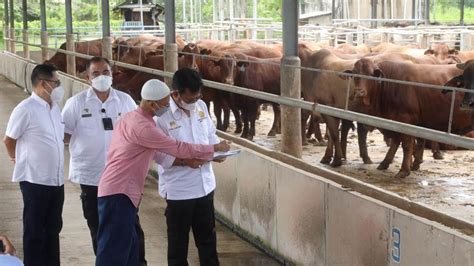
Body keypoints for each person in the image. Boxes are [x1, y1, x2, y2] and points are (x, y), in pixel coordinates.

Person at [95, 79, 230, 266]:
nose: (168, 107)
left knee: (132, 246)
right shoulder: (144, 127)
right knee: (114, 251)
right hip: (119, 192)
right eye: (165, 104)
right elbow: (177, 147)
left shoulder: (130, 118)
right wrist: (213, 148)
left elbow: (160, 152)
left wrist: (185, 160)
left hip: (123, 191)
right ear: (152, 103)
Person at [61, 57, 148, 264]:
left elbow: (138, 133)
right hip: (91, 176)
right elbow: (63, 134)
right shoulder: (76, 103)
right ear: (87, 77)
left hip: (123, 178)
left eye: (106, 72)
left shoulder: (125, 101)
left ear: (113, 73)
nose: (102, 77)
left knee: (131, 226)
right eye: (96, 74)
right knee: (98, 227)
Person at [155, 68, 223, 265]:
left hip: (205, 186)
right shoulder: (161, 118)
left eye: (198, 96)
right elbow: (159, 155)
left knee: (208, 242)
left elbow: (211, 135)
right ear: (175, 94)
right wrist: (186, 161)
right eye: (191, 98)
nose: (195, 101)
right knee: (178, 246)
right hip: (179, 190)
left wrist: (217, 152)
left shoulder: (201, 106)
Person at [3, 64, 65, 266]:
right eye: (56, 82)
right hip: (34, 180)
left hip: (56, 180)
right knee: (35, 231)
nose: (59, 86)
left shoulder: (55, 108)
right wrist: (15, 158)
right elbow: (9, 140)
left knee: (53, 228)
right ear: (43, 83)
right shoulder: (25, 109)